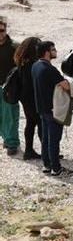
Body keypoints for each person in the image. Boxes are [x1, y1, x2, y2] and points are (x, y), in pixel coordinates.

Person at [32, 41, 72, 176]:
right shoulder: (50, 69)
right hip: (53, 108)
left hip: (41, 107)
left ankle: (47, 165)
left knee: (46, 138)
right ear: (47, 52)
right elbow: (65, 86)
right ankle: (56, 167)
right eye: (53, 49)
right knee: (54, 139)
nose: (56, 51)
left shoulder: (35, 66)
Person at [13, 37, 42, 160]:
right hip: (32, 97)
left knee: (30, 123)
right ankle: (47, 151)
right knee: (40, 123)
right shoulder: (32, 64)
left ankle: (29, 150)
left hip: (25, 97)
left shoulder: (22, 62)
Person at [0, 20, 20, 155]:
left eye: (2, 30)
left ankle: (12, 142)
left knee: (11, 115)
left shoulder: (15, 47)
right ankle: (6, 138)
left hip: (9, 87)